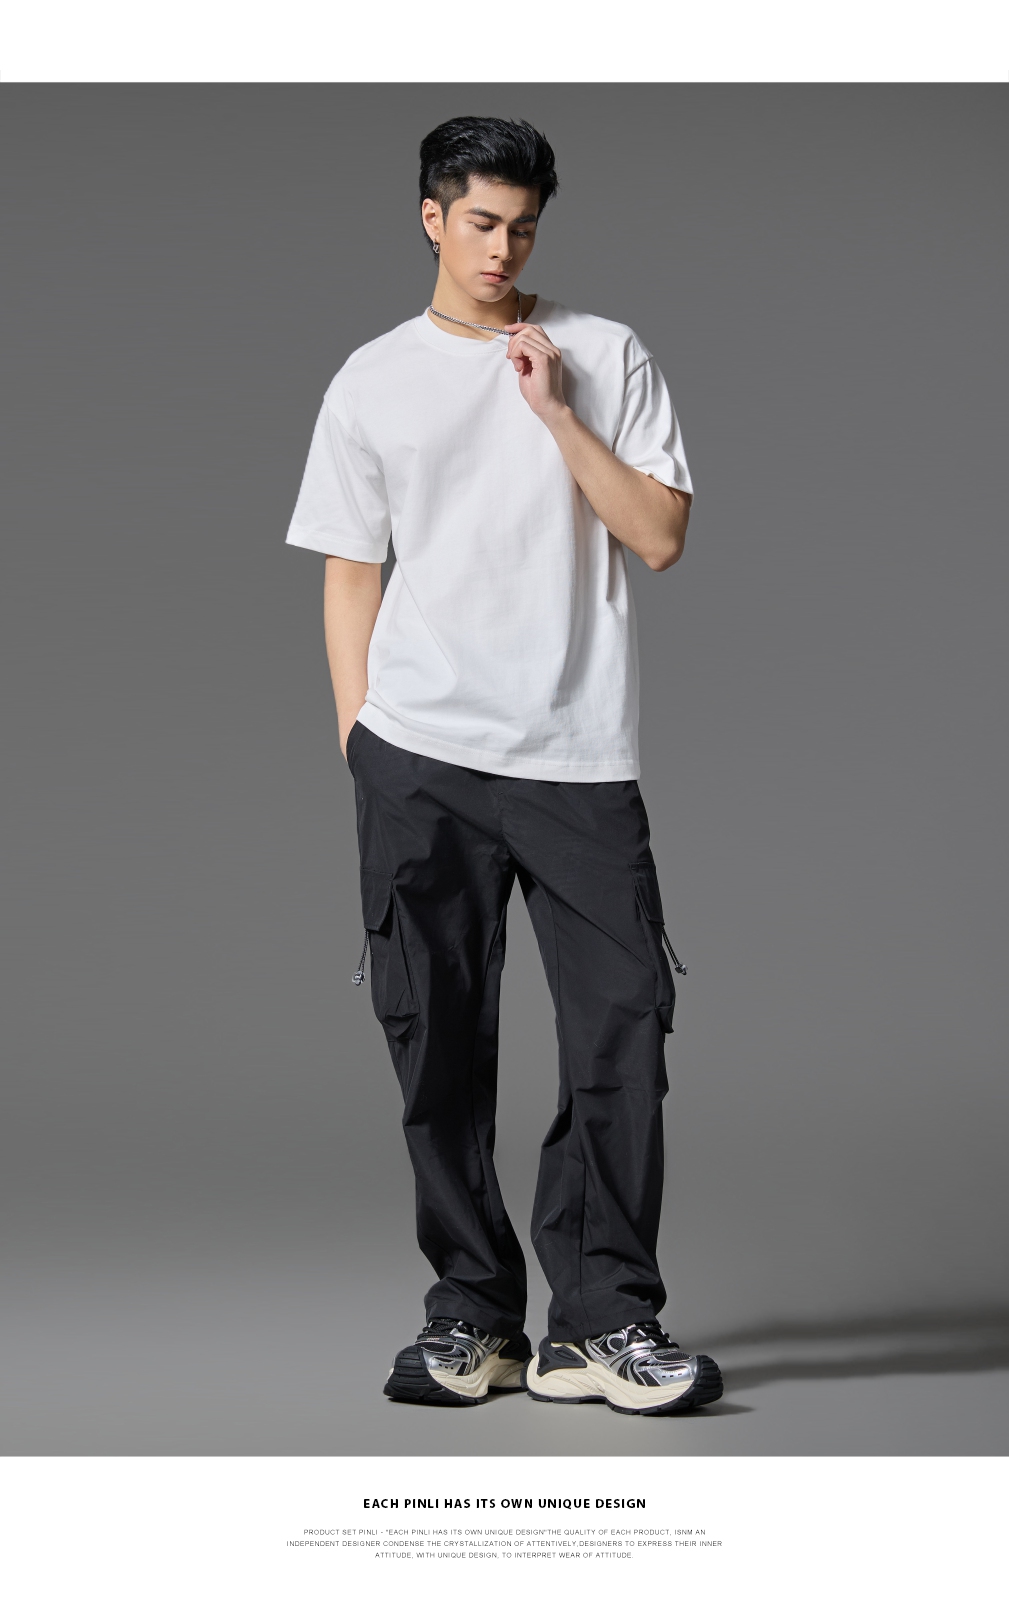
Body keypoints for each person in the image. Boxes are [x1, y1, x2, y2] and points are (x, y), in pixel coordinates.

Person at [285, 115, 723, 1417]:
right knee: (434, 1043)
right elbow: (350, 570)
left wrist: (556, 412)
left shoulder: (604, 353)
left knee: (621, 1034)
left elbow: (659, 537)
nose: (502, 249)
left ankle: (602, 1323)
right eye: (481, 222)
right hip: (419, 758)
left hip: (577, 758)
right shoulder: (372, 380)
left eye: (523, 227)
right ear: (432, 216)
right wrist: (360, 741)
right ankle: (472, 1317)